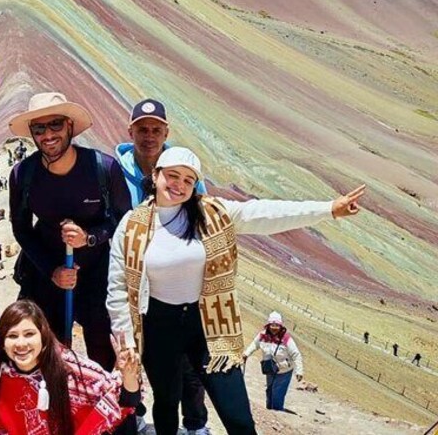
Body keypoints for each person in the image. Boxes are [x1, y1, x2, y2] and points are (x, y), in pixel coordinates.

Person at [106, 146, 366, 435]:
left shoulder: (212, 213)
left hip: (209, 325)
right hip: (158, 326)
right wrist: (127, 342)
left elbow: (263, 213)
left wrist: (328, 209)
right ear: (155, 176)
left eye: (188, 180)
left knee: (237, 415)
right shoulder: (132, 226)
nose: (179, 185)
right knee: (166, 402)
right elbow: (118, 289)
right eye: (173, 175)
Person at [8, 92, 131, 372]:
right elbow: (21, 229)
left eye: (56, 125)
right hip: (46, 272)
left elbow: (123, 220)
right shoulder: (23, 175)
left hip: (97, 272)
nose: (48, 135)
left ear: (70, 126)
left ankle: (103, 397)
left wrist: (90, 237)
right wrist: (52, 271)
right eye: (39, 128)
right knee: (46, 351)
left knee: (103, 350)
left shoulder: (103, 168)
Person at [115, 98, 208, 435]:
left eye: (156, 129)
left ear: (166, 132)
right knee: (138, 356)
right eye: (143, 129)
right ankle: (137, 413)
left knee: (189, 364)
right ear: (131, 132)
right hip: (135, 283)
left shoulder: (185, 171)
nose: (149, 136)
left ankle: (196, 423)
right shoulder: (115, 172)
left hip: (178, 285)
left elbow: (204, 219)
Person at [0, 300, 139, 435]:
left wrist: (129, 376)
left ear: (43, 336)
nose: (21, 344)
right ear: (2, 342)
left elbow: (124, 403)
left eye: (29, 334)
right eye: (12, 336)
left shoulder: (72, 369)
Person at [243, 312, 304, 411]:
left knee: (278, 392)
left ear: (280, 326)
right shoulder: (262, 335)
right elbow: (255, 344)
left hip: (284, 370)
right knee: (270, 390)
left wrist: (299, 371)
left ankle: (277, 410)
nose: (274, 328)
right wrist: (246, 354)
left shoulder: (286, 338)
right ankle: (269, 410)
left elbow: (296, 355)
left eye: (277, 325)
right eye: (272, 325)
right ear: (268, 325)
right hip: (270, 368)